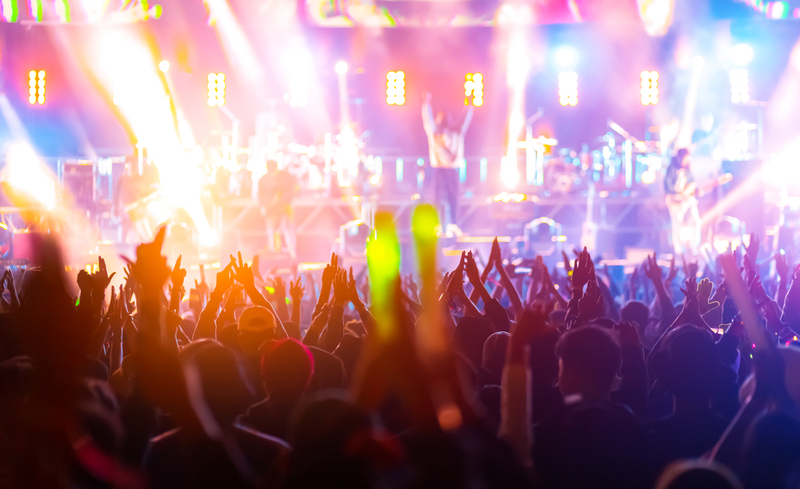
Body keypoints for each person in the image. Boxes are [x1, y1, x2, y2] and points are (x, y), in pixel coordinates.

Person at [422, 93, 473, 237]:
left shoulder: (454, 133)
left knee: (452, 197)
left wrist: (469, 106)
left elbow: (464, 120)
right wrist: (426, 104)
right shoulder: (436, 133)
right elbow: (428, 121)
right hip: (440, 169)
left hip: (450, 169)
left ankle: (452, 224)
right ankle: (438, 224)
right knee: (437, 197)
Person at [257, 159, 297, 259]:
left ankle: (291, 254)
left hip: (284, 208)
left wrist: (279, 199)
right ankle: (274, 254)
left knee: (287, 230)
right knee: (271, 231)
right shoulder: (263, 180)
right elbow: (260, 196)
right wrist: (264, 206)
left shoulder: (285, 177)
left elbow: (291, 191)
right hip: (271, 210)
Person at [664, 148, 701, 255]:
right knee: (676, 224)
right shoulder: (671, 169)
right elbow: (667, 186)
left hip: (687, 200)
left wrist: (694, 191)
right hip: (675, 200)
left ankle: (694, 247)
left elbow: (692, 184)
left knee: (695, 220)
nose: (688, 160)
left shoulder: (688, 170)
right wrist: (678, 193)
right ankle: (679, 250)